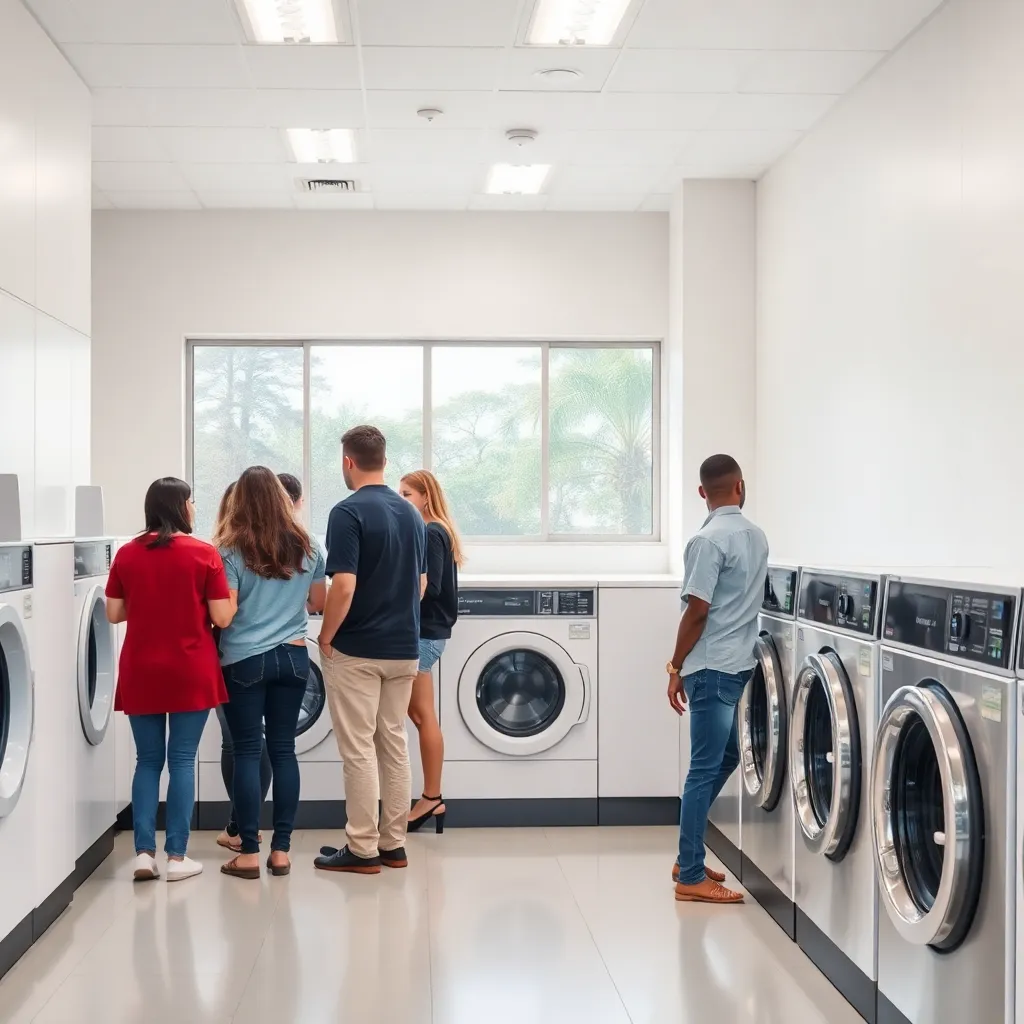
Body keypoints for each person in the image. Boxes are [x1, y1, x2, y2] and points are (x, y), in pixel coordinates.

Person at [105, 477, 234, 882]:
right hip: (190, 668)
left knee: (147, 761)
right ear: (180, 506)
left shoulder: (127, 553)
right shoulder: (203, 553)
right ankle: (177, 858)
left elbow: (113, 613)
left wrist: (149, 603)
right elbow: (222, 617)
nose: (194, 507)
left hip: (142, 668)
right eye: (191, 501)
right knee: (181, 760)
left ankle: (144, 855)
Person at [314, 426, 426, 874]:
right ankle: (393, 845)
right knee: (393, 744)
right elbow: (420, 585)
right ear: (384, 460)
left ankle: (362, 849)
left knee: (359, 750)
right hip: (404, 648)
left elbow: (343, 586)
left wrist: (326, 636)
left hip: (358, 650)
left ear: (348, 462)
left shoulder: (347, 512)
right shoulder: (412, 514)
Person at [214, 466, 327, 878]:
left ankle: (247, 852)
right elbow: (318, 603)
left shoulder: (230, 549)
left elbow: (224, 616)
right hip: (293, 659)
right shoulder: (309, 545)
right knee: (283, 751)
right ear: (282, 498)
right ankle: (281, 851)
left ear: (240, 500)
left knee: (247, 750)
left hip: (244, 659)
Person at [667, 454, 768, 905]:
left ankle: (688, 870)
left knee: (709, 765)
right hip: (738, 663)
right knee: (717, 760)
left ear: (702, 492)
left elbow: (697, 611)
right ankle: (689, 864)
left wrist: (674, 666)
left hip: (711, 667)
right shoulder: (757, 536)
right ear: (740, 488)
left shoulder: (706, 541)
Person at [397, 470, 462, 833]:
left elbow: (431, 587)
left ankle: (431, 798)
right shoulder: (435, 529)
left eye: (407, 494)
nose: (402, 500)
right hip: (429, 632)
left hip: (424, 633)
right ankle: (431, 797)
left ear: (425, 496)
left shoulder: (431, 531)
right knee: (420, 714)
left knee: (420, 715)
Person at [211, 480, 272, 853]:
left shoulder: (224, 553)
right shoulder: (284, 548)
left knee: (237, 742)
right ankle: (245, 825)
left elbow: (222, 614)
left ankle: (240, 826)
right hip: (282, 653)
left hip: (232, 656)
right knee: (259, 741)